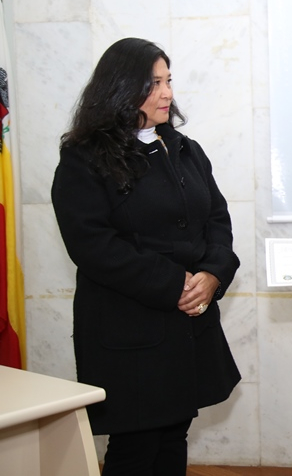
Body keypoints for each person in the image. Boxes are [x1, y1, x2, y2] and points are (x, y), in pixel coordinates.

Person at [51, 38, 241, 476]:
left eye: (168, 81)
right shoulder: (83, 158)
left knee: (174, 436)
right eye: (153, 83)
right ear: (121, 88)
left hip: (187, 326)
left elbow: (217, 220)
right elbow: (92, 245)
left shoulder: (186, 149)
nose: (167, 93)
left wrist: (213, 274)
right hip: (128, 331)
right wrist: (175, 284)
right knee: (136, 447)